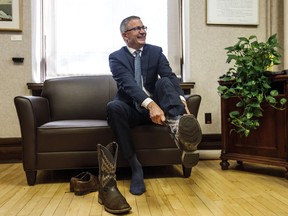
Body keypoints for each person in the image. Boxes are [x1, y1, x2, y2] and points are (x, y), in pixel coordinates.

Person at [107, 15, 202, 196]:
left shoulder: (156, 52)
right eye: (136, 28)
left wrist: (183, 102)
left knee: (164, 81)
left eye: (144, 27)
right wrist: (151, 105)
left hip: (160, 111)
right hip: (132, 109)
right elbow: (129, 85)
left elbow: (170, 77)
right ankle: (136, 168)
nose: (142, 31)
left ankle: (177, 126)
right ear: (125, 35)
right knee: (113, 107)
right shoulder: (116, 58)